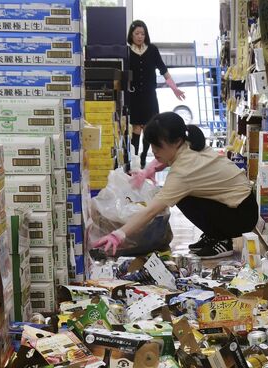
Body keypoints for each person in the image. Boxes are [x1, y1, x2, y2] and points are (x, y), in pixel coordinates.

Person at [93, 112, 258, 259]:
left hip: (241, 216)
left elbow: (151, 210)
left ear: (176, 141)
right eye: (152, 145)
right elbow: (165, 159)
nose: (154, 151)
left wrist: (118, 235)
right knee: (180, 194)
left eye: (158, 146)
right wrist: (148, 170)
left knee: (179, 197)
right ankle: (214, 234)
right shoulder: (190, 141)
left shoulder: (183, 171)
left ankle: (223, 239)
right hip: (243, 204)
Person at [128, 20, 186, 169]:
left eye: (142, 33)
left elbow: (163, 70)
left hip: (149, 96)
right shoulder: (127, 51)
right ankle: (134, 159)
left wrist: (175, 88)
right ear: (131, 35)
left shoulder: (152, 50)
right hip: (134, 96)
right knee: (136, 128)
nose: (140, 36)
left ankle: (142, 158)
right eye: (137, 33)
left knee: (148, 128)